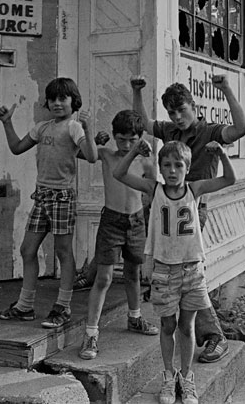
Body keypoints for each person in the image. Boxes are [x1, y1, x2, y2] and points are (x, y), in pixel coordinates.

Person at [131, 73, 245, 363]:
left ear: (193, 106)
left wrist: (226, 90)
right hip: (167, 208)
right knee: (179, 275)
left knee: (191, 276)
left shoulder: (209, 131)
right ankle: (200, 334)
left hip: (194, 210)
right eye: (172, 112)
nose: (177, 117)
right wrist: (137, 91)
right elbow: (142, 124)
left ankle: (214, 336)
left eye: (181, 110)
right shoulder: (171, 130)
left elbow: (242, 128)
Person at [113, 139, 236, 404]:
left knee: (187, 325)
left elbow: (229, 179)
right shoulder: (153, 188)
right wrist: (134, 151)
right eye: (166, 165)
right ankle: (169, 376)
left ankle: (187, 377)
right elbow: (119, 174)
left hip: (192, 269)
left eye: (178, 165)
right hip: (164, 270)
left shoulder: (195, 189)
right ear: (160, 167)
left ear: (187, 167)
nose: (171, 170)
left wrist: (223, 155)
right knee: (167, 325)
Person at [0, 77, 98, 328]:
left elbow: (93, 157)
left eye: (62, 98)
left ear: (74, 102)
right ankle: (25, 306)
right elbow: (17, 148)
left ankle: (62, 307)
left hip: (62, 197)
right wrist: (7, 123)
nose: (56, 103)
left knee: (63, 252)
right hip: (42, 196)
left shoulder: (74, 127)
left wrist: (90, 129)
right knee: (27, 250)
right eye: (52, 99)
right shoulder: (42, 127)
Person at [78, 110, 160, 360]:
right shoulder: (106, 154)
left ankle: (135, 317)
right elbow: (84, 154)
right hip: (111, 220)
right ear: (114, 136)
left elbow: (155, 189)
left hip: (135, 220)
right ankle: (91, 333)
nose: (125, 145)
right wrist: (93, 136)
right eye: (121, 139)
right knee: (103, 278)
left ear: (140, 138)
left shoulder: (145, 161)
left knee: (133, 273)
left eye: (131, 140)